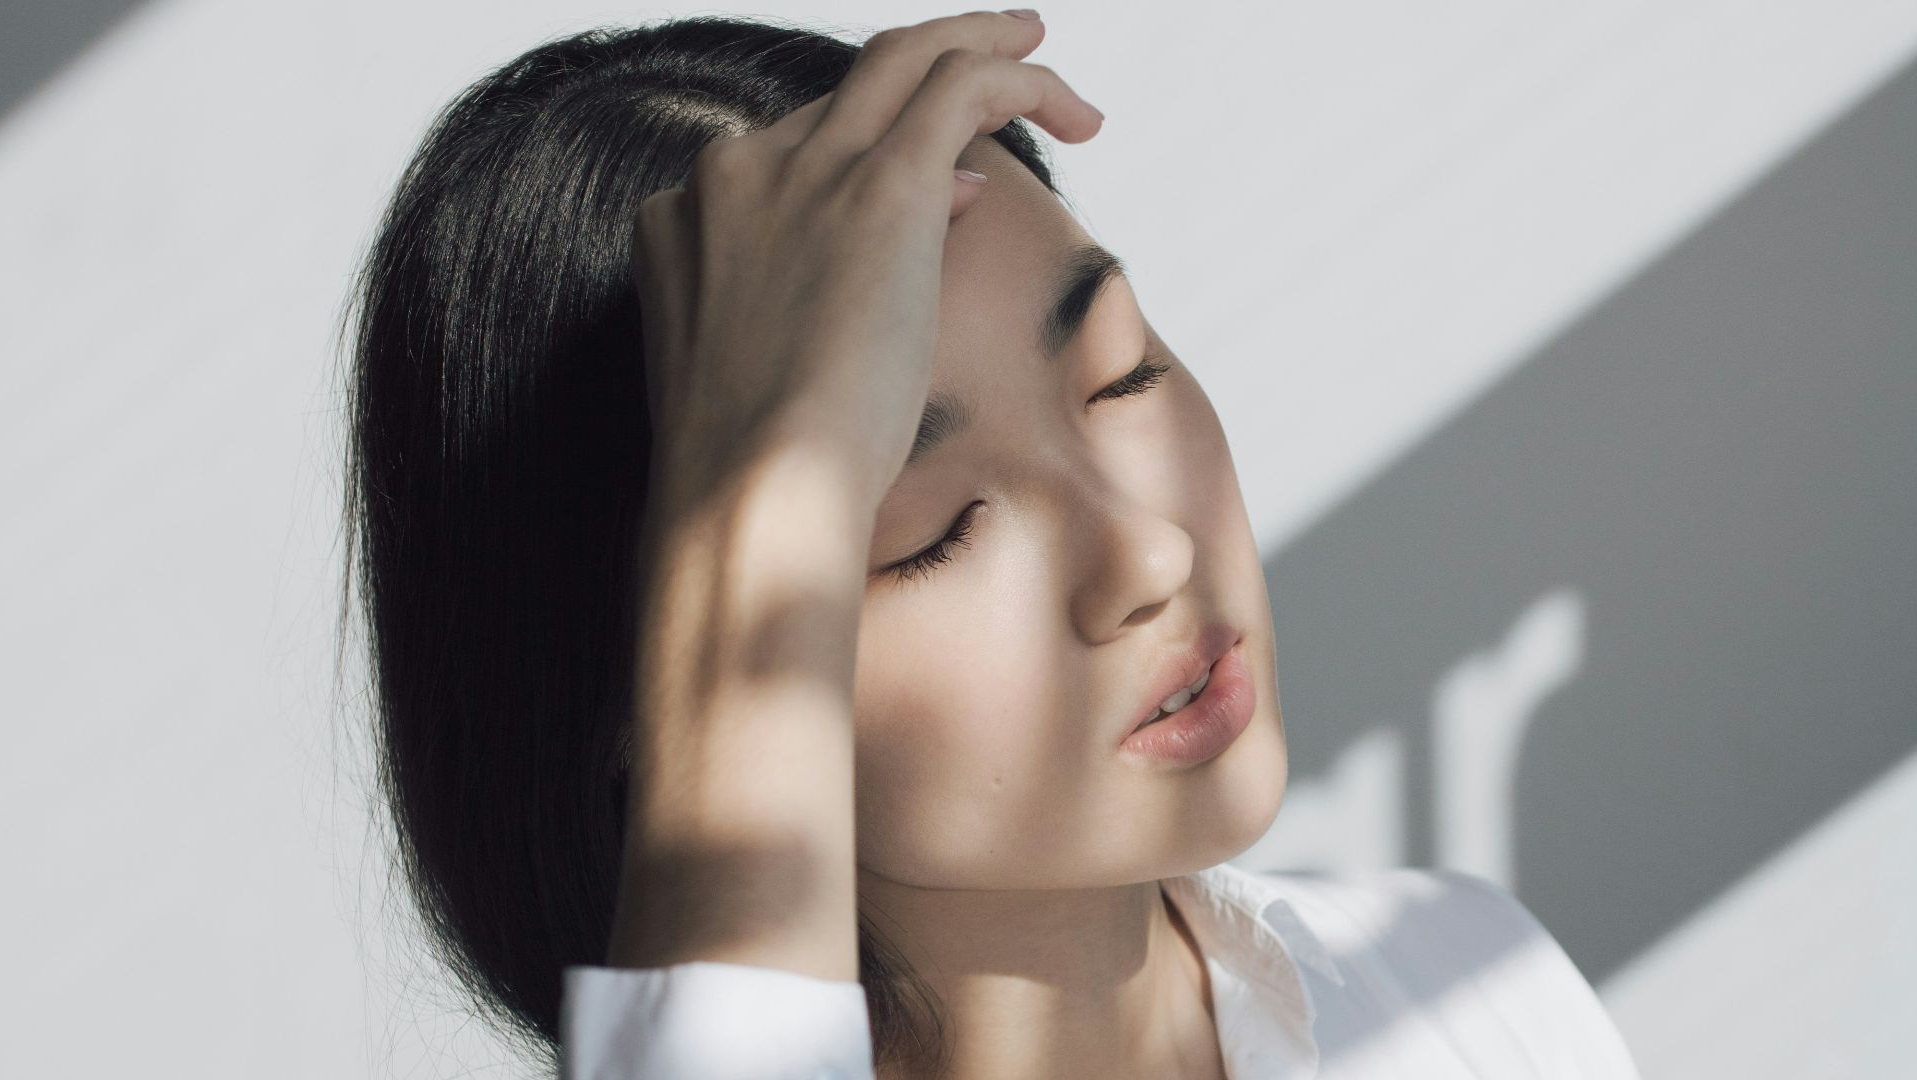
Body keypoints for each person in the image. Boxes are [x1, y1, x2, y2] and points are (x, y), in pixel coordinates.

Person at [341, 9, 1643, 1079]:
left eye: (1121, 372)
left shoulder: (1470, 997)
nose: (1148, 556)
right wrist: (754, 505)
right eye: (930, 531)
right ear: (643, 679)